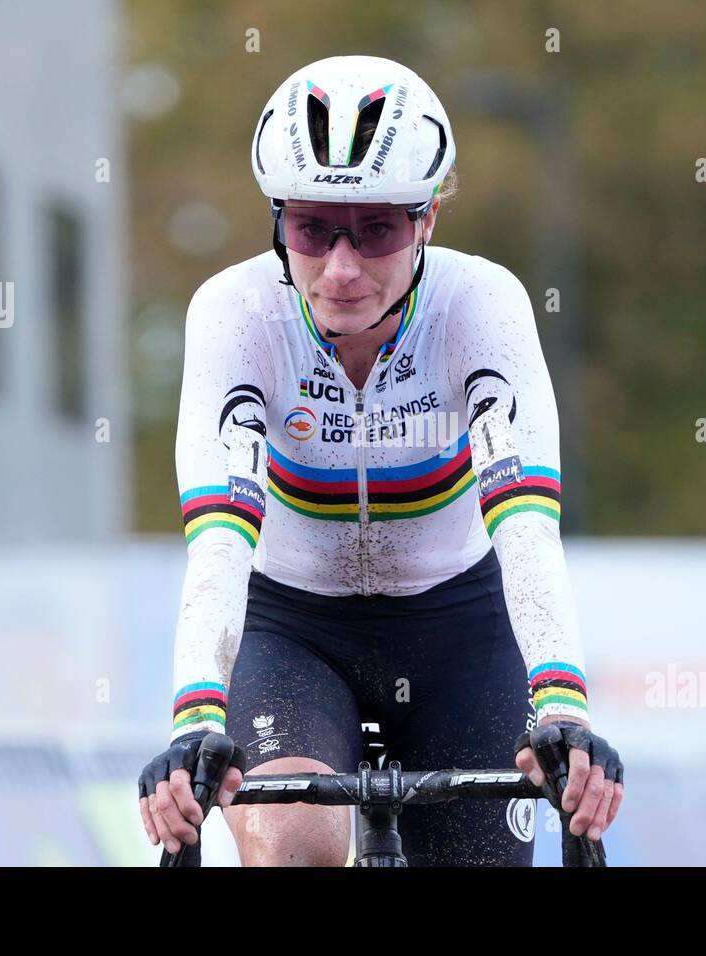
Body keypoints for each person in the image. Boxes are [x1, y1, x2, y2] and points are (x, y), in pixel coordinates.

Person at [138, 55, 622, 866]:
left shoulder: (482, 305)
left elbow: (528, 533)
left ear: (428, 218)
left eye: (377, 230)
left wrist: (563, 703)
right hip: (293, 627)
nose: (341, 268)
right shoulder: (238, 313)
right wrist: (195, 723)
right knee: (295, 845)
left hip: (459, 629)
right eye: (312, 229)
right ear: (276, 222)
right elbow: (220, 542)